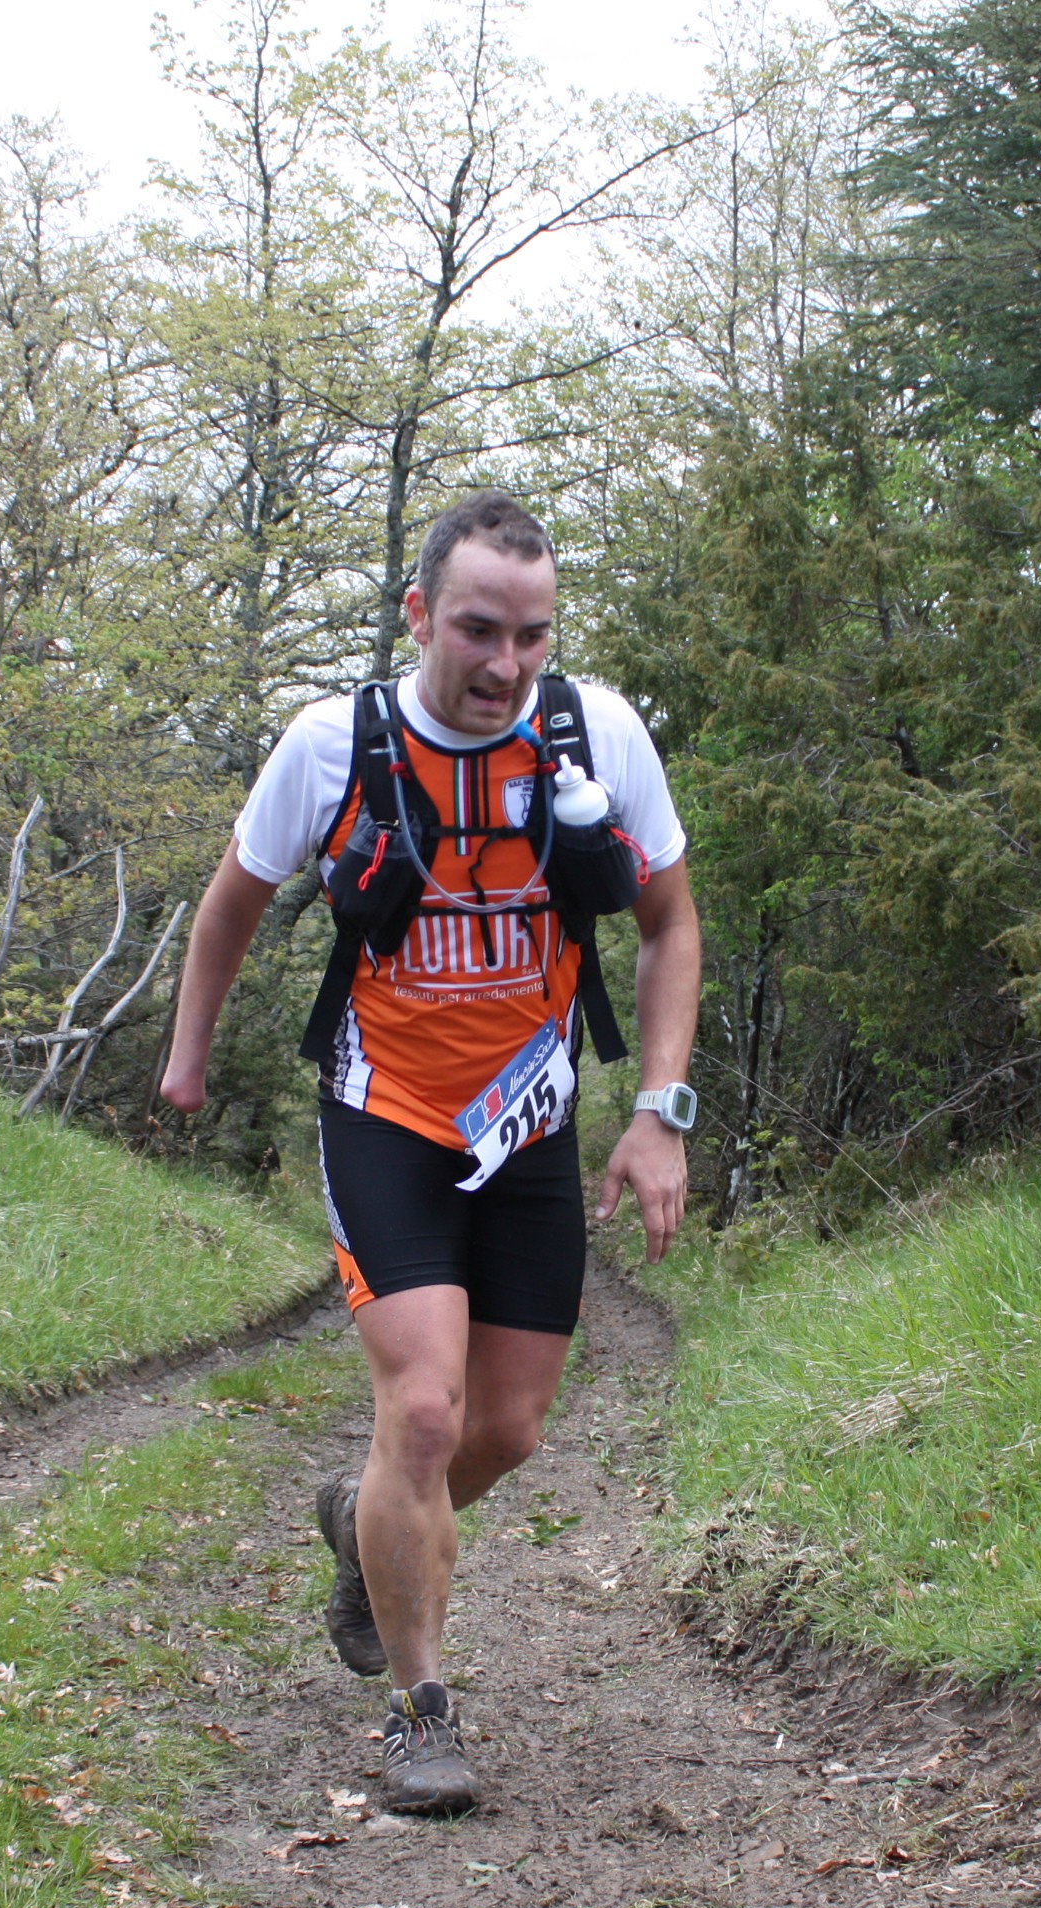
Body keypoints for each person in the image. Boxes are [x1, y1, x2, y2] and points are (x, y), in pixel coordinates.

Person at [158, 490, 701, 1814]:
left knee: (505, 1430)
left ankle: (367, 1526)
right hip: (386, 1111)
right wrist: (186, 1053)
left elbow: (670, 927)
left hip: (529, 1128)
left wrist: (658, 1110)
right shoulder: (331, 746)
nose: (502, 664)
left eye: (530, 634)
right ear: (418, 615)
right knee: (423, 1413)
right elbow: (233, 903)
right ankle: (420, 1714)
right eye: (475, 629)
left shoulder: (597, 735)